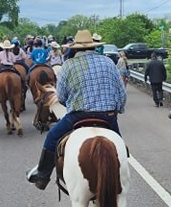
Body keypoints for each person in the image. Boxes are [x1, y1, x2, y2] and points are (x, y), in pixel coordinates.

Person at [26, 30, 127, 190]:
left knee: (52, 136)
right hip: (107, 117)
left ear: (76, 48)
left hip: (78, 117)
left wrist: (72, 104)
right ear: (94, 47)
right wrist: (117, 110)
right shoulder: (109, 62)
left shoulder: (68, 65)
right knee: (121, 149)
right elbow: (121, 93)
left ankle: (43, 175)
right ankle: (121, 177)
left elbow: (61, 97)